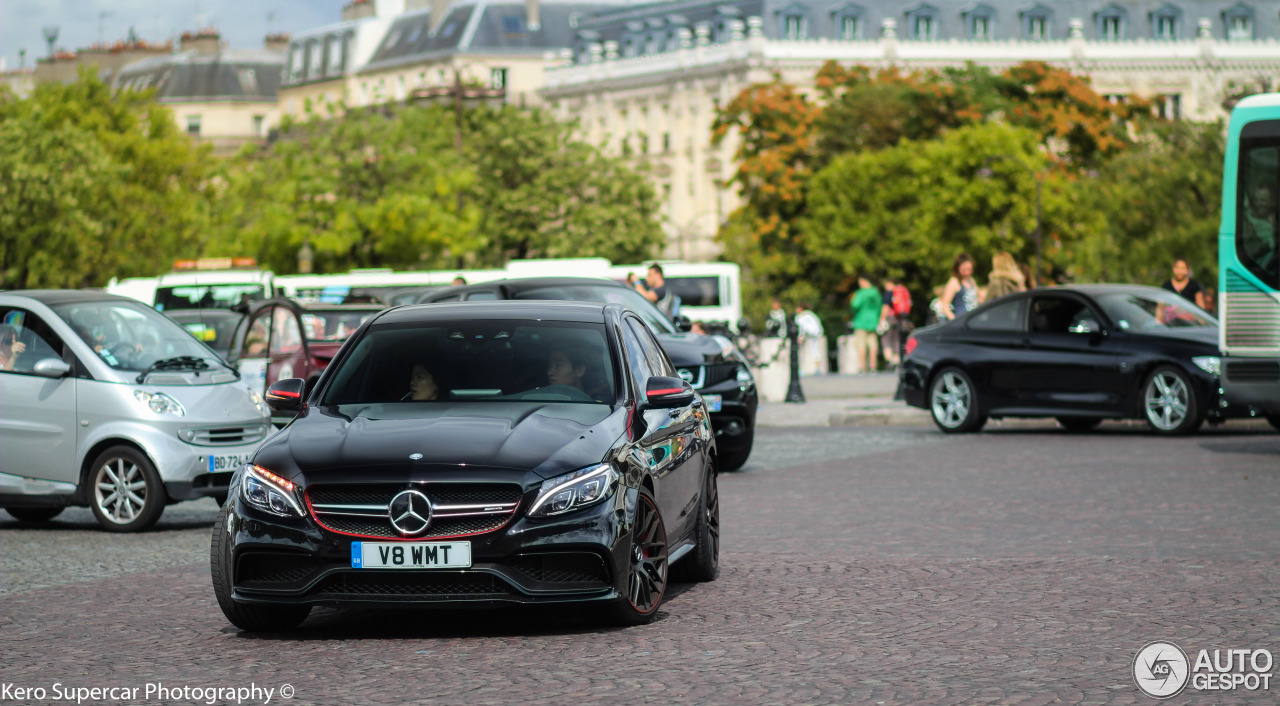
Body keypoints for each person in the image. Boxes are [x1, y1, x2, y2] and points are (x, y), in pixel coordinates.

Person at [1242, 180, 1277, 272]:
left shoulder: (1273, 227)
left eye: (1262, 200)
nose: (1258, 204)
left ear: (1272, 201)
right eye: (1256, 200)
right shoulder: (1245, 217)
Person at [849, 276, 881, 374]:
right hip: (873, 322)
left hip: (861, 322)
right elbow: (879, 306)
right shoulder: (875, 292)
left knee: (861, 346)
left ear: (864, 281)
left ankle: (862, 367)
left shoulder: (860, 293)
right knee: (873, 345)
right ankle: (873, 367)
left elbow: (854, 305)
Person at [879, 277, 911, 367]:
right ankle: (897, 359)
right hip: (901, 318)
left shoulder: (890, 293)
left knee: (886, 338)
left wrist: (882, 319)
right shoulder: (903, 291)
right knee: (897, 339)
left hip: (890, 318)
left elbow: (886, 307)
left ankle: (889, 360)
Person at [940, 253, 980, 320]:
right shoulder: (954, 281)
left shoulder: (971, 280)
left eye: (969, 269)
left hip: (973, 320)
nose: (967, 273)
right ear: (958, 268)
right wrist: (954, 320)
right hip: (961, 321)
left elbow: (978, 297)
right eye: (964, 270)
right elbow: (945, 305)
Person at [794, 303, 825, 376]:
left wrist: (801, 337)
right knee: (815, 350)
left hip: (811, 334)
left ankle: (802, 370)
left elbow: (802, 327)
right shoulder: (810, 314)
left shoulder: (802, 316)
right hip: (816, 334)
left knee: (806, 351)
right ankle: (817, 368)